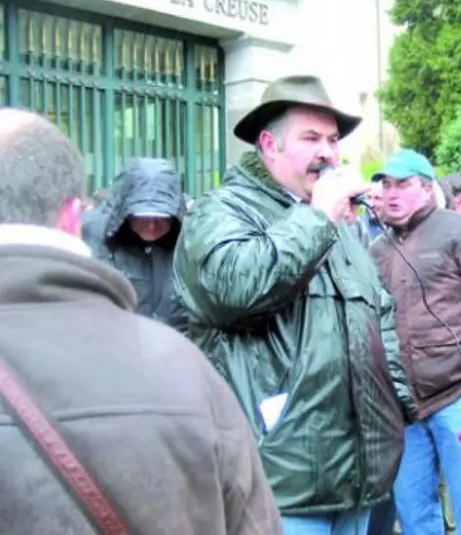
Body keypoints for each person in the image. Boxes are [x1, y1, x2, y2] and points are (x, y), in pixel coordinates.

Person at [0, 108, 280, 534]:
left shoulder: (191, 258)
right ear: (74, 221)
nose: (151, 224)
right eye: (141, 213)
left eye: (160, 214)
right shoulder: (97, 247)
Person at [173, 75, 417, 535]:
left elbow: (378, 314)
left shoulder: (336, 225)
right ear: (269, 144)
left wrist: (397, 409)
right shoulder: (222, 211)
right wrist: (317, 217)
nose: (327, 152)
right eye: (310, 138)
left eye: (332, 139)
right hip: (277, 482)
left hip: (355, 476)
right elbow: (235, 292)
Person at [369, 150, 461, 535]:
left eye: (402, 184)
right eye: (385, 185)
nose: (391, 193)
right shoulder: (378, 250)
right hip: (404, 409)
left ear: (428, 188)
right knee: (415, 519)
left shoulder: (460, 230)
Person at [82, 158, 187, 331]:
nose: (152, 225)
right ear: (125, 214)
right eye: (143, 217)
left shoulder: (190, 242)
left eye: (162, 218)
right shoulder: (91, 236)